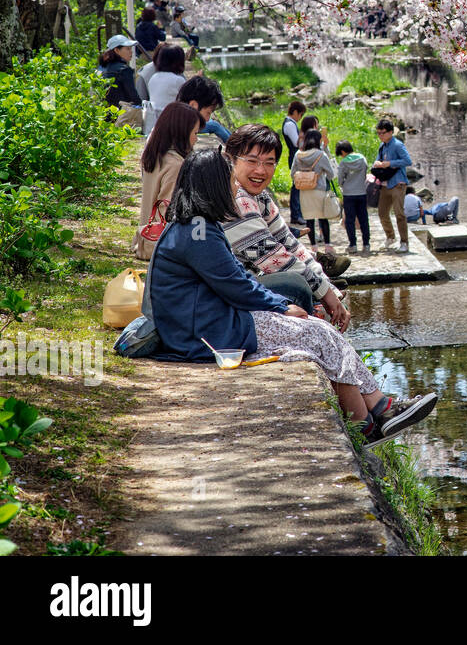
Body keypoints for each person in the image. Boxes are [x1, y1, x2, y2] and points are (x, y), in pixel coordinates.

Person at [148, 148, 438, 445]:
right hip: (204, 332)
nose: (234, 187)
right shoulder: (199, 233)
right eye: (228, 181)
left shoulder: (195, 224)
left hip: (207, 322)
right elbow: (235, 285)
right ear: (212, 185)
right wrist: (282, 306)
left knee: (318, 333)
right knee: (317, 334)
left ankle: (377, 413)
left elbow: (235, 278)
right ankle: (370, 422)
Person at [221, 123, 350, 320]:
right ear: (231, 159)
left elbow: (290, 244)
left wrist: (328, 287)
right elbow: (274, 258)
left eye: (269, 163)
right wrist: (326, 294)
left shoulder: (260, 197)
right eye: (252, 161)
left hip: (251, 288)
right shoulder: (235, 198)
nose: (260, 171)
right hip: (229, 299)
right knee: (294, 286)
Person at [134, 102, 200, 259]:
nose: (197, 139)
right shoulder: (176, 164)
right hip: (161, 244)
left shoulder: (153, 155)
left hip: (145, 237)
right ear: (182, 133)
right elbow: (167, 210)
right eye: (195, 133)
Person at [290, 128, 337, 246]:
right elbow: (331, 175)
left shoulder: (298, 155)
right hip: (319, 190)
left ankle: (313, 246)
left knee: (309, 220)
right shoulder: (321, 155)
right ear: (318, 140)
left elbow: (292, 174)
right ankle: (327, 245)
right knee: (323, 218)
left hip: (304, 192)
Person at [373, 118, 412, 253]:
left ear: (390, 132)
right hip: (385, 184)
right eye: (378, 133)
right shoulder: (382, 145)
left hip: (398, 183)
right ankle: (390, 237)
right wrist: (377, 163)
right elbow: (378, 159)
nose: (380, 135)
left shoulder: (397, 145)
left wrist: (389, 163)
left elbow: (407, 161)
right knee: (382, 213)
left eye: (382, 133)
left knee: (399, 214)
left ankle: (404, 242)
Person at [97, 34, 143, 129]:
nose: (131, 52)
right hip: (121, 116)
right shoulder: (124, 70)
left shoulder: (102, 68)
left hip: (104, 116)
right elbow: (133, 97)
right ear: (117, 50)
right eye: (128, 49)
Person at [335, 140, 371, 255]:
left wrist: (345, 185)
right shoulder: (362, 158)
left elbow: (340, 180)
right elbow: (365, 172)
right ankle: (366, 244)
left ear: (343, 151)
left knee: (350, 221)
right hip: (361, 192)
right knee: (364, 219)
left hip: (348, 194)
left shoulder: (344, 163)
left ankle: (353, 245)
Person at [143, 43, 187, 137]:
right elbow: (187, 104)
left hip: (153, 124)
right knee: (214, 126)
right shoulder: (178, 80)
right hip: (172, 125)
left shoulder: (154, 77)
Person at [175, 74, 229, 142]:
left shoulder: (175, 121)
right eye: (208, 113)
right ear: (193, 105)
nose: (207, 119)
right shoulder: (180, 135)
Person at [281, 101, 306, 225]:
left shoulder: (290, 123)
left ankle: (298, 214)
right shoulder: (290, 124)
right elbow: (297, 143)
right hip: (295, 157)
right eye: (300, 114)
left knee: (298, 185)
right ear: (295, 112)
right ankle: (296, 215)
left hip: (295, 156)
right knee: (297, 186)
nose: (300, 117)